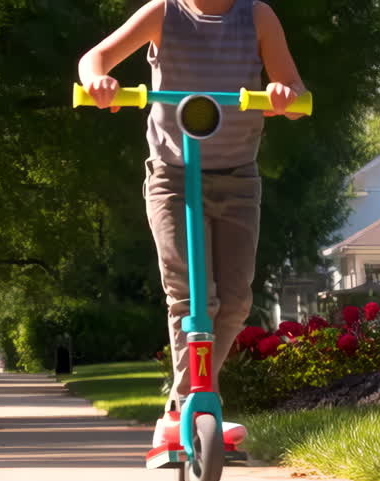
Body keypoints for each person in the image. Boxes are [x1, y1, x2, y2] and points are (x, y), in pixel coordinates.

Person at [77, 0, 306, 450]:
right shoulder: (163, 13)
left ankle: (182, 408)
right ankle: (196, 404)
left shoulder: (256, 17)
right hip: (173, 177)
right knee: (188, 298)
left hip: (238, 178)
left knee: (235, 302)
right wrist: (97, 82)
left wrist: (285, 97)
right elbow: (94, 59)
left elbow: (295, 92)